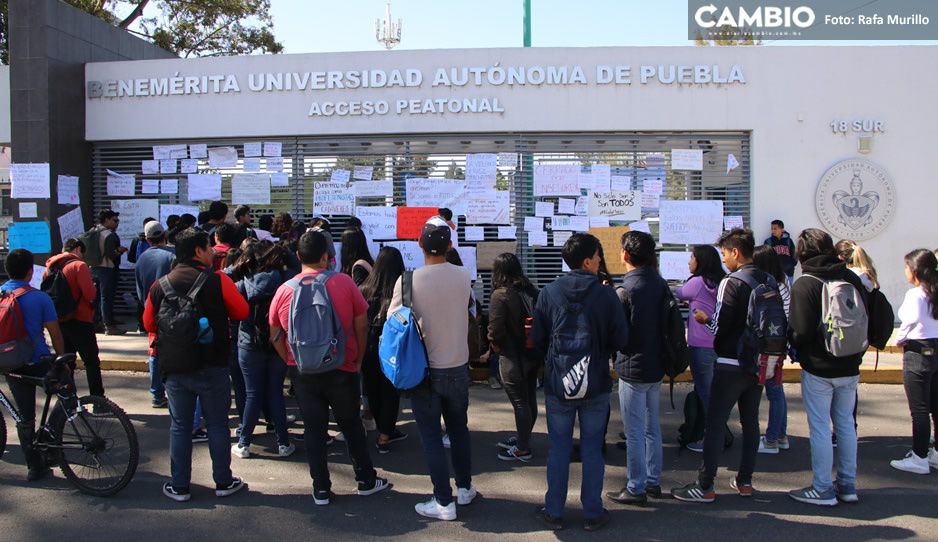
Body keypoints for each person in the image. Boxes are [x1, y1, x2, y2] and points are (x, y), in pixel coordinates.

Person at [269, 230, 389, 506]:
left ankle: (321, 488)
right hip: (341, 367)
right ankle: (366, 480)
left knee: (314, 429)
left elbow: (274, 332)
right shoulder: (344, 283)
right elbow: (361, 324)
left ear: (298, 256)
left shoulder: (284, 290)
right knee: (351, 425)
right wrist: (357, 359)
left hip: (303, 370)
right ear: (326, 256)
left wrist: (291, 358)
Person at [531, 233, 628, 532]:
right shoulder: (606, 294)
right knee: (591, 448)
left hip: (559, 382)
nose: (601, 260)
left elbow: (537, 338)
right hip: (595, 380)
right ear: (587, 260)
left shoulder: (549, 292)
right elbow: (622, 338)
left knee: (558, 448)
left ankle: (554, 511)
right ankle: (592, 513)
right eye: (598, 255)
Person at [144, 228, 249, 502]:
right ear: (198, 251)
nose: (213, 251)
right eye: (208, 247)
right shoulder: (217, 281)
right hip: (212, 364)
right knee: (216, 424)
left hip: (175, 366)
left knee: (180, 426)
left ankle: (179, 486)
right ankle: (223, 482)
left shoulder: (160, 285)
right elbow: (242, 311)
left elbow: (148, 324)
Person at [387, 219, 477, 521]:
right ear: (450, 246)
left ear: (420, 246)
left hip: (424, 371)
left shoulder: (408, 280)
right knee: (459, 430)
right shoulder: (464, 276)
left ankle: (443, 501)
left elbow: (394, 321)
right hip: (458, 366)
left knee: (431, 437)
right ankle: (465, 488)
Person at [672, 228, 767, 503]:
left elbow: (720, 324)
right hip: (759, 362)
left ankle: (705, 486)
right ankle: (746, 481)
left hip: (731, 361)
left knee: (715, 423)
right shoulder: (768, 280)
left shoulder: (732, 282)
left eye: (725, 254)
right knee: (750, 422)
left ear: (736, 252)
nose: (724, 260)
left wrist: (703, 319)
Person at [786, 228, 868, 506]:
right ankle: (847, 484)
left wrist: (794, 345)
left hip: (819, 367)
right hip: (850, 363)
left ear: (802, 253)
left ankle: (822, 488)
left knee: (820, 427)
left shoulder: (806, 283)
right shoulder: (850, 277)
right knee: (845, 425)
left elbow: (801, 331)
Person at [608, 231, 665, 507]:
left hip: (632, 365)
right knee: (652, 427)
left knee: (634, 431)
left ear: (626, 255)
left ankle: (635, 486)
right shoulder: (660, 283)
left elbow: (618, 332)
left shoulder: (626, 289)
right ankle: (653, 481)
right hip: (656, 363)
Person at [2, 249, 66, 481]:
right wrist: (63, 361)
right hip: (38, 361)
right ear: (31, 272)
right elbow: (56, 334)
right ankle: (49, 436)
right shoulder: (39, 297)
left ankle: (35, 467)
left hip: (10, 363)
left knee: (25, 416)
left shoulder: (0, 294)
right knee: (68, 394)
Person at [230, 241, 294, 459]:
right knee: (275, 392)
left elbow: (234, 310)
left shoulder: (241, 283)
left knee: (252, 394)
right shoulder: (285, 281)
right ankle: (284, 443)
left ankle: (244, 442)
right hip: (278, 341)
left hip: (249, 343)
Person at [488, 253, 540, 462]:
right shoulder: (531, 290)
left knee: (520, 402)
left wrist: (494, 345)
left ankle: (523, 448)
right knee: (529, 398)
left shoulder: (500, 295)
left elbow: (496, 328)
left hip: (511, 355)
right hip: (532, 352)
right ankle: (522, 438)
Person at [890, 248, 938, 475]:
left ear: (915, 270)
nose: (905, 271)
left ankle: (919, 456)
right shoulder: (934, 292)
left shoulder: (916, 294)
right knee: (935, 405)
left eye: (907, 267)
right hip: (936, 348)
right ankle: (935, 452)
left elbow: (909, 322)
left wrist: (900, 339)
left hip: (918, 351)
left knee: (918, 409)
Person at [675, 245, 725, 453]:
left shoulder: (696, 282)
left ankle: (712, 440)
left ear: (701, 261)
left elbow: (679, 293)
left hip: (700, 346)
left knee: (705, 393)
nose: (689, 262)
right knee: (716, 393)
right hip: (719, 344)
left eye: (692, 258)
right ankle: (719, 433)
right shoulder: (722, 282)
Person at [359, 246, 407, 453]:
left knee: (372, 387)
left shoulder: (364, 289)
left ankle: (382, 428)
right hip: (392, 346)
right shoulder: (403, 289)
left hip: (367, 344)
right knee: (390, 390)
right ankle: (386, 433)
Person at [44, 238, 104, 397]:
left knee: (66, 362)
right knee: (91, 362)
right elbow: (90, 294)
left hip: (60, 321)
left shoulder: (49, 267)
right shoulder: (79, 265)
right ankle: (98, 401)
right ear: (77, 249)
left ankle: (68, 400)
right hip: (81, 320)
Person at [752, 245, 792, 455]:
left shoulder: (767, 286)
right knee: (777, 390)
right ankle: (780, 435)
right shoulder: (783, 282)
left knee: (773, 392)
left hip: (768, 346)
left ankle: (771, 439)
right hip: (779, 344)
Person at [134, 221, 176, 407]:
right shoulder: (171, 256)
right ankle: (175, 392)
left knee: (154, 351)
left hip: (151, 309)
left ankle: (157, 394)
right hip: (172, 311)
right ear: (164, 234)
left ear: (147, 238)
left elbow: (139, 289)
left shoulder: (142, 258)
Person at [87, 209, 127, 335]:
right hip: (107, 268)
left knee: (96, 297)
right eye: (115, 220)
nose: (117, 223)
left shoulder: (92, 231)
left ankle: (95, 323)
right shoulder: (108, 235)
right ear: (106, 220)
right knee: (106, 298)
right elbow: (112, 255)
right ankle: (109, 326)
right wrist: (119, 250)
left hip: (93, 268)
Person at [765, 219, 797, 285]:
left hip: (788, 273)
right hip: (774, 274)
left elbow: (794, 254)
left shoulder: (788, 241)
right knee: (776, 293)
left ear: (782, 229)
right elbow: (766, 257)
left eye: (775, 229)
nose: (773, 231)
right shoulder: (768, 242)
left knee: (789, 292)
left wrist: (791, 264)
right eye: (772, 229)